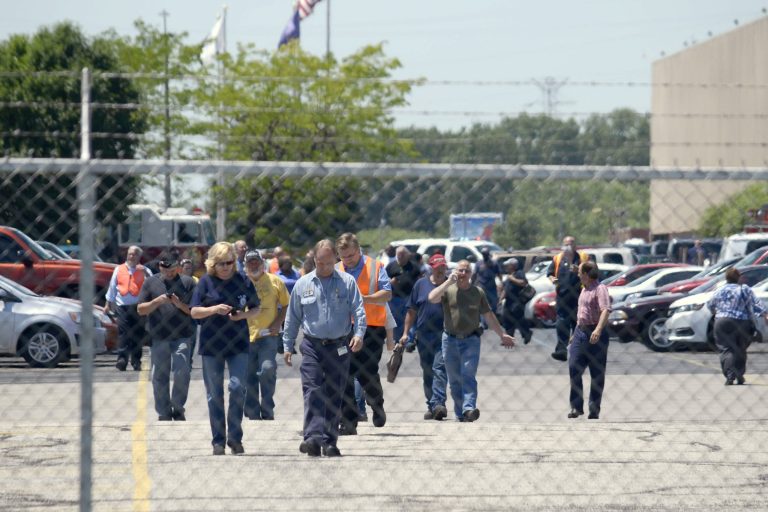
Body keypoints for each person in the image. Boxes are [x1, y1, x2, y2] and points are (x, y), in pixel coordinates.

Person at [283, 239, 366, 457]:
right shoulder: (303, 284)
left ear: (335, 260)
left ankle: (330, 441)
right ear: (314, 261)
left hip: (339, 345)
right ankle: (312, 438)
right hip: (312, 345)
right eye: (321, 263)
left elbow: (359, 310)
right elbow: (292, 317)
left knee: (334, 392)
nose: (325, 268)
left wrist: (358, 334)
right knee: (312, 390)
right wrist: (288, 345)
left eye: (329, 263)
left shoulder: (347, 282)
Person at [191, 242, 261, 456]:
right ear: (213, 263)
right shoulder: (205, 282)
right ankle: (218, 440)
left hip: (238, 343)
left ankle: (235, 437)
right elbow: (194, 312)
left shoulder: (242, 281)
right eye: (221, 263)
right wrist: (214, 309)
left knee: (237, 388)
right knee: (214, 394)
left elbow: (256, 308)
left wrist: (242, 315)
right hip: (212, 345)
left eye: (229, 263)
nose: (225, 267)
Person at [428, 260, 515, 422]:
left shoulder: (478, 292)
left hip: (471, 340)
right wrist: (448, 281)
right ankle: (461, 412)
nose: (463, 273)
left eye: (466, 271)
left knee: (468, 375)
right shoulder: (448, 290)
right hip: (450, 339)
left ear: (471, 274)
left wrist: (502, 335)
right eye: (460, 270)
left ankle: (469, 408)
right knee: (454, 379)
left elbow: (489, 315)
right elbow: (432, 298)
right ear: (455, 272)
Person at [336, 232, 392, 435]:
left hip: (372, 327)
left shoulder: (375, 266)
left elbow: (387, 293)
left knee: (366, 371)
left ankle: (376, 403)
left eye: (351, 255)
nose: (348, 261)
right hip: (344, 329)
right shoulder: (335, 270)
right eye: (343, 257)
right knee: (344, 373)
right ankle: (349, 421)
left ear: (358, 250)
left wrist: (364, 298)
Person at [137, 252, 196, 421]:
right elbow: (141, 309)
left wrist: (178, 303)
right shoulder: (150, 283)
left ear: (177, 267)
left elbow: (194, 312)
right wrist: (157, 301)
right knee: (159, 375)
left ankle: (178, 408)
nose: (169, 273)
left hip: (182, 336)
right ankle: (163, 412)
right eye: (165, 269)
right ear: (160, 267)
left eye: (172, 270)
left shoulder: (188, 282)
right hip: (159, 336)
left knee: (182, 371)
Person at [400, 253, 450, 421]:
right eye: (438, 267)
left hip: (444, 334)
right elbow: (411, 311)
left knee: (439, 368)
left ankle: (439, 404)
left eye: (443, 266)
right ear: (431, 267)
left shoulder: (450, 284)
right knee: (428, 371)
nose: (441, 270)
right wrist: (406, 333)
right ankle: (431, 405)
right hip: (423, 336)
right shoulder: (421, 284)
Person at [243, 250, 289, 421]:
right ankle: (253, 412)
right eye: (250, 262)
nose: (253, 265)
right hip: (245, 336)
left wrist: (278, 323)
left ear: (262, 263)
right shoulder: (240, 282)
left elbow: (286, 305)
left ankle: (267, 408)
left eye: (256, 262)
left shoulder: (275, 281)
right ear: (245, 265)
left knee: (267, 369)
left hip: (268, 334)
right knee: (249, 375)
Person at [707, 268, 768, 386]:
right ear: (738, 277)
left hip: (722, 322)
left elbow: (710, 305)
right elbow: (756, 303)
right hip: (742, 322)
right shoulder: (744, 289)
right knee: (740, 349)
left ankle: (730, 375)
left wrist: (718, 313)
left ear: (726, 278)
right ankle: (739, 374)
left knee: (726, 349)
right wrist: (764, 314)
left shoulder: (719, 290)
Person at [567, 261, 611, 420]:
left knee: (597, 374)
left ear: (586, 274)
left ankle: (594, 409)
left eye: (580, 272)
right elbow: (582, 312)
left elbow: (605, 310)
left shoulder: (600, 289)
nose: (578, 274)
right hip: (580, 333)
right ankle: (576, 407)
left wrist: (598, 330)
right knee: (574, 367)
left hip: (595, 334)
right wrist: (574, 334)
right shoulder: (584, 289)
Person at [104, 245, 152, 372]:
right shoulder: (119, 269)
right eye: (130, 254)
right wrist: (108, 304)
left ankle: (136, 361)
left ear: (139, 257)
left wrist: (145, 272)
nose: (131, 256)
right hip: (122, 306)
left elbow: (152, 284)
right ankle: (122, 360)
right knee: (123, 334)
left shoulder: (144, 270)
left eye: (135, 254)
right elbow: (112, 287)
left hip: (139, 307)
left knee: (137, 334)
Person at [547, 236, 589, 362]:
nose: (568, 246)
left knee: (579, 325)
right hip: (562, 298)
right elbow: (549, 273)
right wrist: (552, 279)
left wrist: (579, 270)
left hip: (579, 298)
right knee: (561, 324)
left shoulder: (583, 258)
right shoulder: (558, 258)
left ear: (575, 245)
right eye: (566, 244)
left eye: (571, 243)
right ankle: (561, 351)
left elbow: (592, 273)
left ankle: (582, 351)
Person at [386, 245, 423, 343]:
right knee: (396, 320)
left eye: (403, 255)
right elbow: (383, 280)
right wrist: (390, 282)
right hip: (395, 298)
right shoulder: (391, 266)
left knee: (410, 319)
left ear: (407, 256)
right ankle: (397, 340)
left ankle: (408, 341)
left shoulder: (414, 266)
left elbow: (420, 280)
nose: (400, 257)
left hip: (409, 297)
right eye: (399, 255)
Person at [499, 258, 533, 345]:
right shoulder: (510, 275)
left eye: (508, 265)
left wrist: (512, 279)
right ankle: (509, 339)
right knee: (506, 318)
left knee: (519, 318)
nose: (506, 267)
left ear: (513, 265)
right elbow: (505, 289)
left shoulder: (519, 273)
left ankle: (527, 333)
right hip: (509, 301)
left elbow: (523, 283)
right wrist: (500, 299)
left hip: (518, 301)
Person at [472, 248, 502, 321]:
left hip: (491, 287)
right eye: (483, 254)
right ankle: (484, 323)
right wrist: (471, 284)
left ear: (488, 254)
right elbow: (474, 274)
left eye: (486, 254)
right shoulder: (479, 263)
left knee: (494, 304)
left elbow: (499, 274)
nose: (485, 255)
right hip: (481, 287)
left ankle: (492, 320)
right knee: (482, 304)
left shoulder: (494, 263)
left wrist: (501, 283)